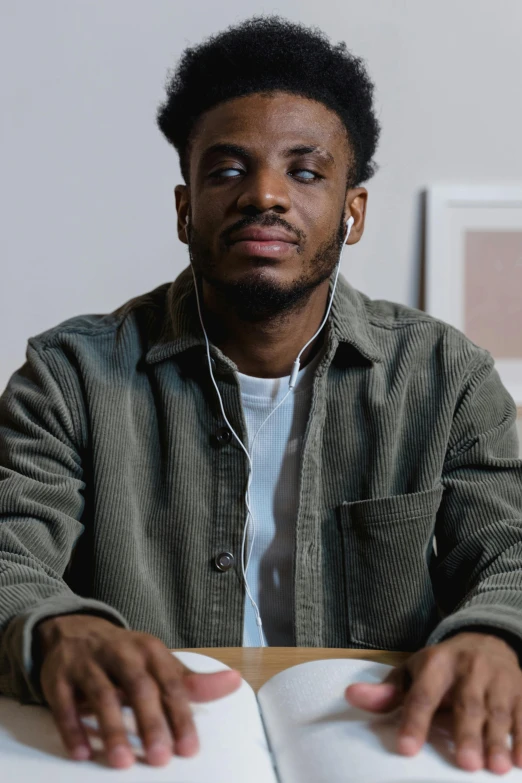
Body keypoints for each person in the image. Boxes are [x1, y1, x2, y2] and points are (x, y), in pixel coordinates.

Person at [1, 13, 521, 776]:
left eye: (305, 171)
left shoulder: (446, 375)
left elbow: (512, 551)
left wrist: (495, 635)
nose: (265, 195)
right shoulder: (68, 376)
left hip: (372, 747)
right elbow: (11, 550)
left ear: (354, 210)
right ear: (186, 208)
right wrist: (57, 629)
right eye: (228, 170)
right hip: (147, 754)